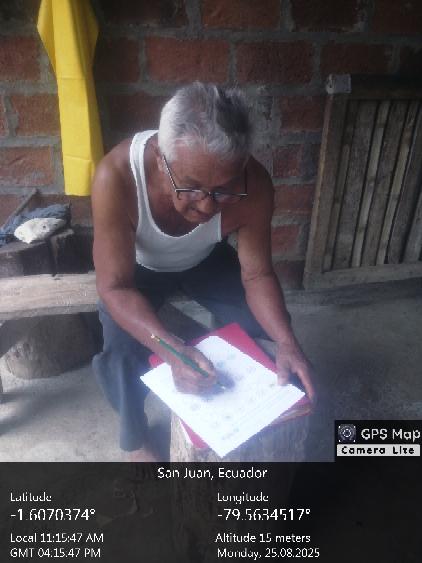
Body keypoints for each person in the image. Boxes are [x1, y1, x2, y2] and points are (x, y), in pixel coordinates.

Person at [91, 82, 314, 461]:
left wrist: (287, 340)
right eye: (191, 188)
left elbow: (257, 275)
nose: (208, 207)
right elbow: (115, 287)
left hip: (205, 259)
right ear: (161, 159)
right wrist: (170, 348)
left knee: (267, 327)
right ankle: (135, 437)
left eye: (224, 190)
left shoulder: (255, 185)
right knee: (121, 351)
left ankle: (251, 411)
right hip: (137, 269)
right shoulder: (117, 176)